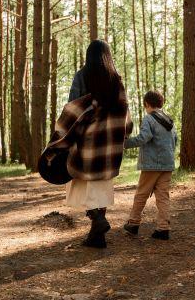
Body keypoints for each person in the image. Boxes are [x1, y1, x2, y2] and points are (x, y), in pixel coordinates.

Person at [66, 40, 132, 248]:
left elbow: (72, 107)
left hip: (86, 141)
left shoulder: (82, 76)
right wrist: (126, 132)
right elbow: (125, 110)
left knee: (81, 182)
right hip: (109, 144)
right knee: (101, 186)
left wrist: (65, 135)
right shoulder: (116, 79)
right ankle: (98, 235)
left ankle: (97, 219)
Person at [123, 91, 177, 240]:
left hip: (151, 165)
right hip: (167, 164)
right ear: (161, 103)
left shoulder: (149, 119)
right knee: (163, 197)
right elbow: (175, 140)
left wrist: (124, 143)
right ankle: (163, 228)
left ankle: (133, 223)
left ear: (147, 104)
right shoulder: (169, 120)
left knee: (141, 194)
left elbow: (144, 137)